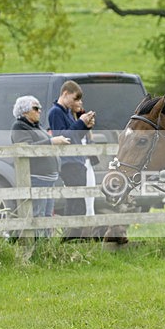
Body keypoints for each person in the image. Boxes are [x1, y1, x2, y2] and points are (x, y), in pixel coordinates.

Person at [11, 95, 70, 230]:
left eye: (40, 108)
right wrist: (52, 141)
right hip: (37, 179)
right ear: (24, 111)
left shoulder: (36, 126)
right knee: (39, 216)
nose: (39, 111)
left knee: (47, 216)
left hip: (49, 180)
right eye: (35, 108)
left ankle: (46, 248)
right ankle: (37, 248)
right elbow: (26, 149)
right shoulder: (19, 127)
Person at [48, 81, 95, 240]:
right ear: (65, 93)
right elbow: (63, 137)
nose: (77, 103)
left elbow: (74, 136)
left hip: (77, 160)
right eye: (75, 99)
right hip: (69, 162)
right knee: (76, 201)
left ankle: (74, 238)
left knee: (79, 201)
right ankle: (70, 239)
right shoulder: (55, 112)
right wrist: (80, 122)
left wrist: (85, 126)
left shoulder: (67, 112)